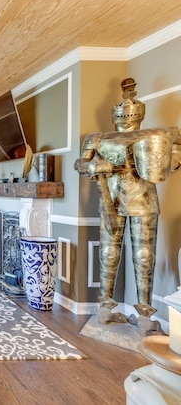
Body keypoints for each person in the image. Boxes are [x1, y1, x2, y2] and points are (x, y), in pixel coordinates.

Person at [74, 78, 181, 332]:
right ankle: (107, 307)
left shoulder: (160, 134)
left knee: (144, 255)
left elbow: (173, 162)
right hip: (110, 198)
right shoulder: (97, 138)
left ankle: (142, 311)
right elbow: (80, 163)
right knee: (110, 252)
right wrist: (93, 165)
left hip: (142, 196)